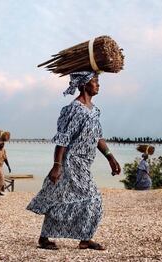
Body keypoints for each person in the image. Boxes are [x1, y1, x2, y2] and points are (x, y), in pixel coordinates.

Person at [26, 71, 121, 250]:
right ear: (85, 84)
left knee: (65, 198)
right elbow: (63, 139)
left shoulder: (95, 110)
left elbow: (97, 137)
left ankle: (76, 238)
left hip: (85, 163)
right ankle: (70, 238)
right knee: (93, 198)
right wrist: (57, 166)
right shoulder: (74, 109)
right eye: (95, 81)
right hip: (71, 162)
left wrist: (111, 157)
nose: (98, 85)